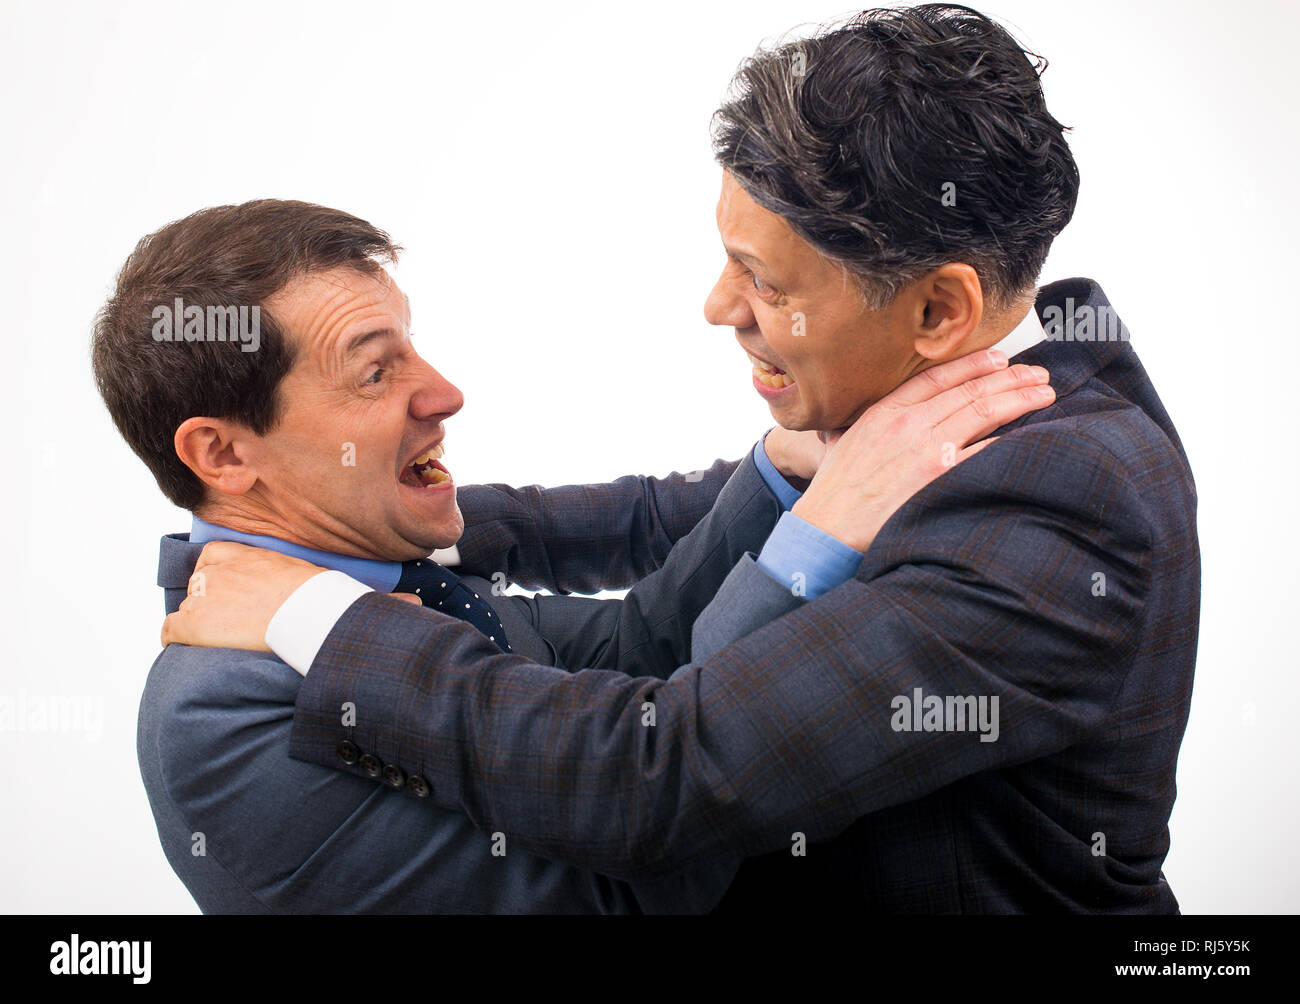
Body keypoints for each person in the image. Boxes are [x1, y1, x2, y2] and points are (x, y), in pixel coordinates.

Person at [166, 4, 1199, 913]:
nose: (717, 307)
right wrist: (341, 526)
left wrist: (314, 610)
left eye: (759, 275)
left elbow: (667, 777)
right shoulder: (935, 404)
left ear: (938, 307)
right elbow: (669, 519)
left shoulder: (1050, 501)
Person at [98, 197, 1047, 913]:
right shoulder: (219, 728)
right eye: (374, 370)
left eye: (414, 348)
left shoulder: (397, 560)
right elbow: (637, 889)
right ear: (222, 454)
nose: (445, 392)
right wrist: (817, 541)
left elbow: (642, 650)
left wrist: (798, 470)